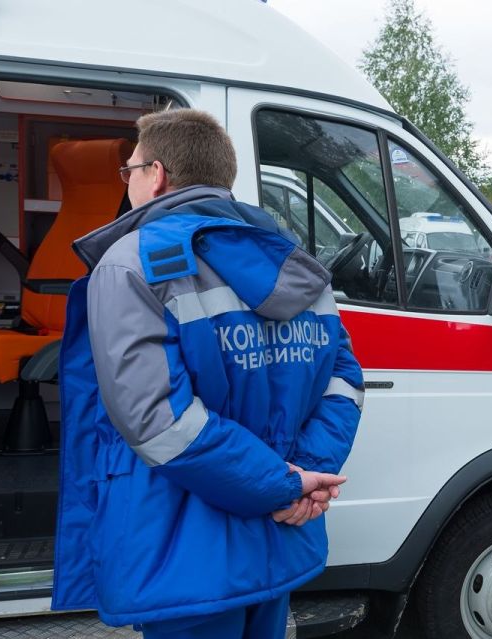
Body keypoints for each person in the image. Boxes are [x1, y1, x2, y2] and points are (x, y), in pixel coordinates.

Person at [51, 109, 364, 639]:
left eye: (129, 172)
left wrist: (284, 484)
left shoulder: (132, 264)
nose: (127, 183)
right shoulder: (295, 262)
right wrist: (302, 478)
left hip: (181, 557)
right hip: (276, 541)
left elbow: (160, 423)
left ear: (159, 175)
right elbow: (344, 384)